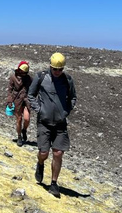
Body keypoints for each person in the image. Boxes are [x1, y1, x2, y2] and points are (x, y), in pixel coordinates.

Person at [27, 52, 76, 198]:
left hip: (60, 123)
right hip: (44, 122)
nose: (57, 72)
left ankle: (54, 183)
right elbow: (31, 95)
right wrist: (39, 110)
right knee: (44, 153)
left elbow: (73, 97)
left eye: (60, 69)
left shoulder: (67, 80)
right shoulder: (41, 77)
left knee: (58, 153)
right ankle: (40, 163)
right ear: (50, 66)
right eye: (55, 69)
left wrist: (66, 111)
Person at [6, 61, 33, 147]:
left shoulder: (29, 79)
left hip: (26, 100)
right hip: (17, 100)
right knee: (19, 119)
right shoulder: (13, 77)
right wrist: (9, 101)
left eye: (25, 73)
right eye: (22, 72)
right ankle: (19, 137)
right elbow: (10, 90)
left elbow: (33, 89)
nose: (23, 74)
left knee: (27, 118)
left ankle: (24, 129)